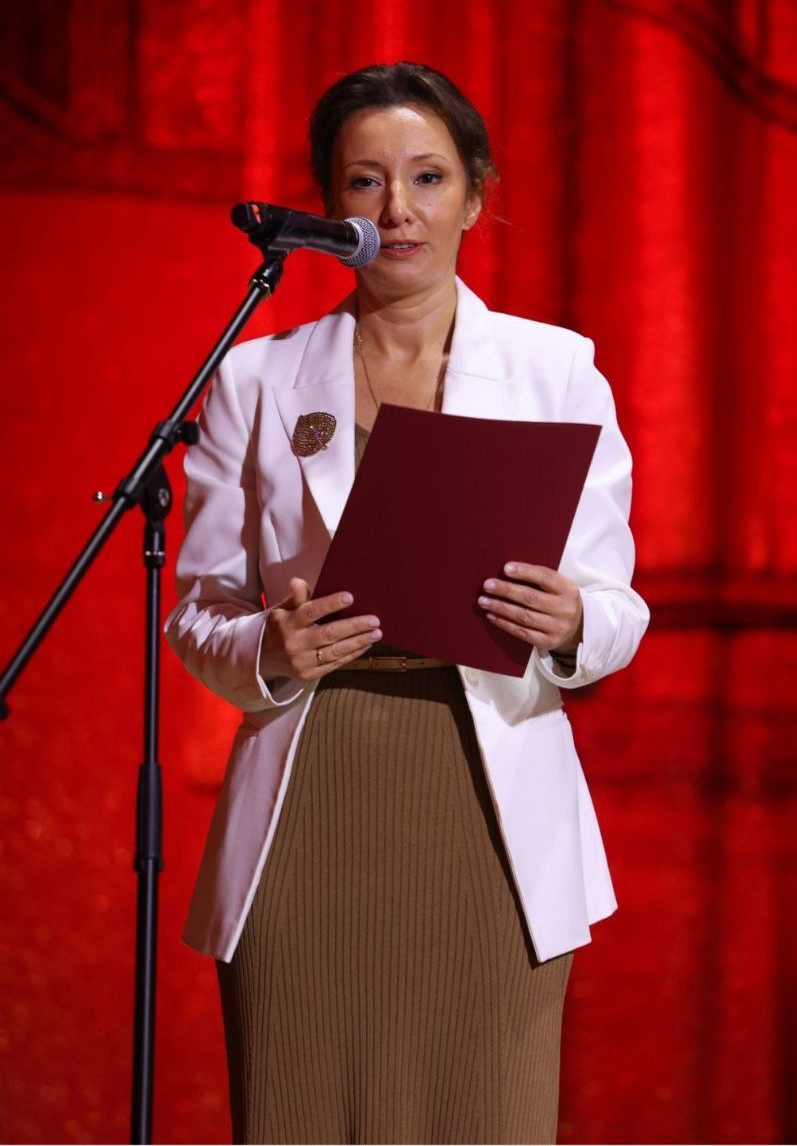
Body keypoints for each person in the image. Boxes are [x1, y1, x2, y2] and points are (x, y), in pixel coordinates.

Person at [164, 60, 650, 1145]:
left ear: (475, 195)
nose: (398, 210)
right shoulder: (255, 377)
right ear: (329, 207)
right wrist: (269, 648)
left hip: (489, 816)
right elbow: (198, 613)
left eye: (428, 177)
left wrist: (574, 623)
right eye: (365, 181)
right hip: (310, 798)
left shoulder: (556, 371)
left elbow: (619, 605)